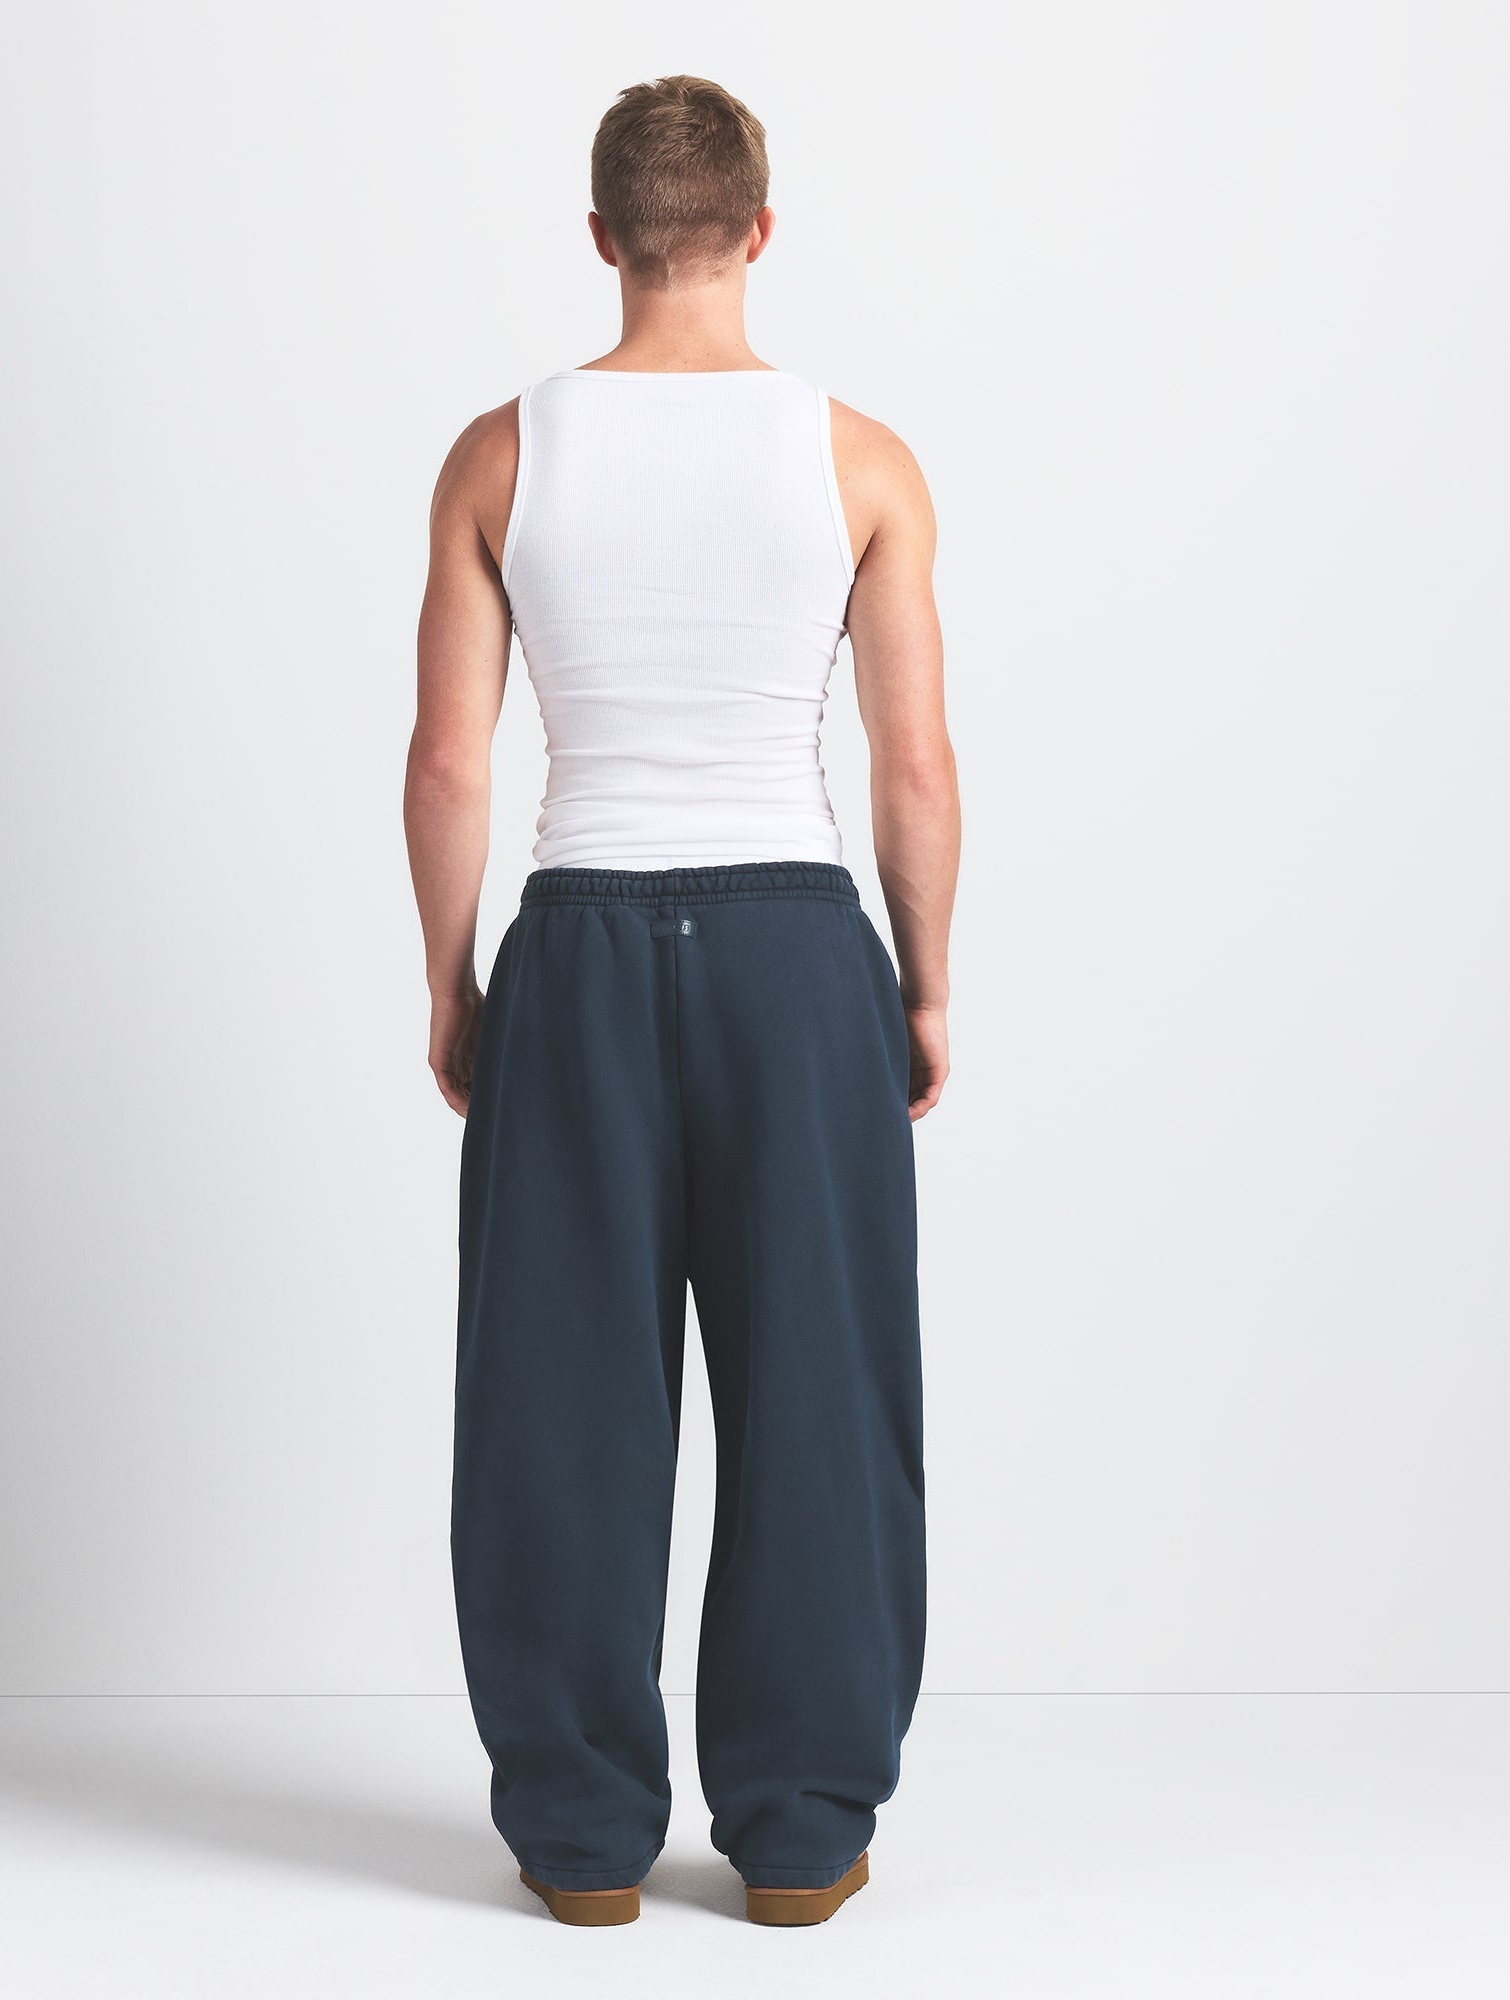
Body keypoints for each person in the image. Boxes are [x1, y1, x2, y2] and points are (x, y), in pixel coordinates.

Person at [405, 73, 959, 1929]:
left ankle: (581, 1838)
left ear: (603, 239)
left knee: (558, 1401)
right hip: (798, 957)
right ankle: (800, 1833)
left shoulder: (502, 456)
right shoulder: (861, 461)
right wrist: (925, 988)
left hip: (574, 941)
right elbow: (913, 770)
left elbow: (450, 764)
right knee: (822, 1393)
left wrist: (454, 980)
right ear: (758, 230)